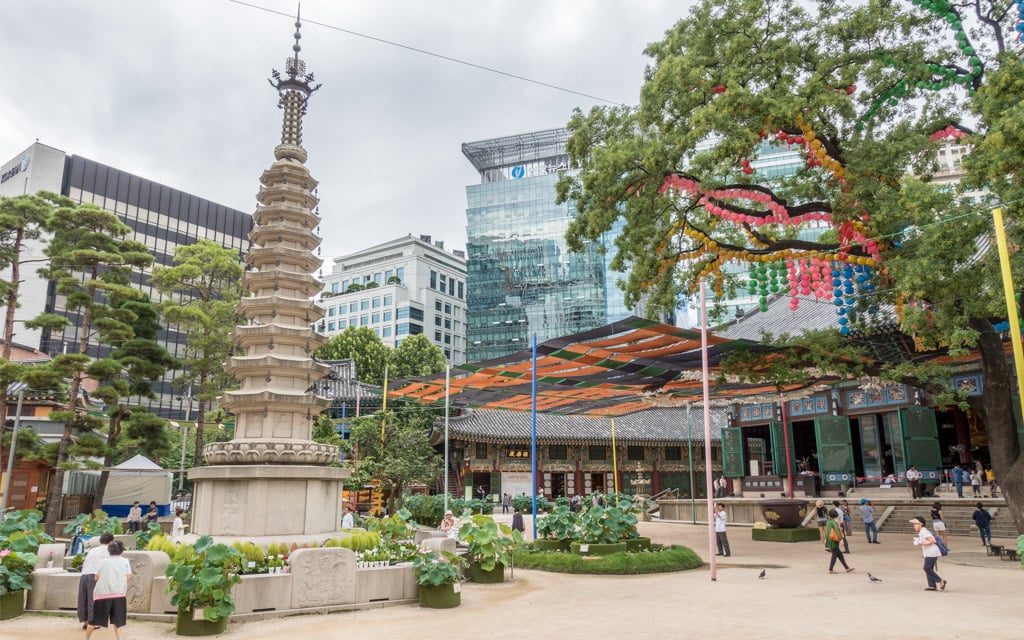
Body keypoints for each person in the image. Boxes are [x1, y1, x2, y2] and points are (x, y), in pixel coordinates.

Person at [85, 540, 132, 640]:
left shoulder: (103, 562)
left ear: (109, 551)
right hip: (119, 594)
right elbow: (128, 576)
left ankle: (86, 638)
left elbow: (96, 577)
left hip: (102, 594)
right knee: (117, 619)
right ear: (121, 551)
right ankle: (119, 637)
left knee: (94, 619)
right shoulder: (125, 562)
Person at [77, 532, 115, 630]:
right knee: (94, 599)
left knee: (84, 599)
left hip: (84, 575)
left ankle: (85, 621)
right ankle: (93, 622)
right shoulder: (109, 551)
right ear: (111, 541)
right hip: (95, 575)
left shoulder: (93, 550)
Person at [910, 516, 946, 591]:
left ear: (921, 524)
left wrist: (922, 544)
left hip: (932, 552)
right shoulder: (922, 532)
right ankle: (932, 585)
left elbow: (932, 541)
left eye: (916, 524)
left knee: (927, 568)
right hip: (929, 552)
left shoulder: (924, 532)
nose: (914, 526)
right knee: (929, 568)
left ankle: (940, 580)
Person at [825, 509, 854, 574]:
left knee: (839, 554)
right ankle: (830, 569)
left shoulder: (828, 522)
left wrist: (826, 539)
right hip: (834, 540)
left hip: (830, 539)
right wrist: (841, 540)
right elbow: (838, 531)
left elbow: (827, 531)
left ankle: (847, 568)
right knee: (834, 555)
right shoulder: (834, 522)